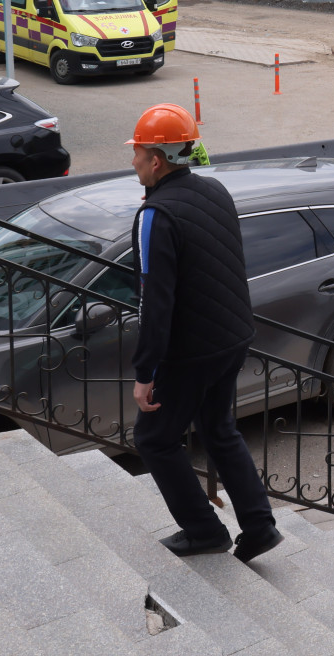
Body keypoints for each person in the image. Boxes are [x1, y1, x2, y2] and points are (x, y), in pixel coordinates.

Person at [126, 103, 283, 562]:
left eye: (137, 152)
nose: (132, 160)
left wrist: (145, 370)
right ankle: (259, 526)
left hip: (192, 350)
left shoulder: (156, 215)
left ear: (157, 160)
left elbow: (155, 300)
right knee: (217, 428)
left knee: (154, 439)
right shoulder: (215, 190)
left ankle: (204, 530)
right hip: (233, 336)